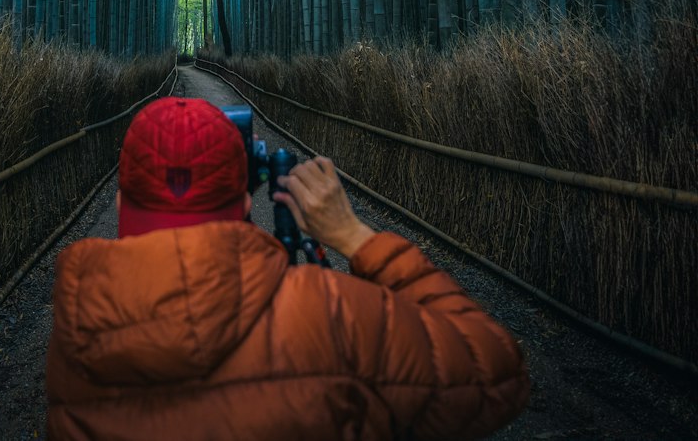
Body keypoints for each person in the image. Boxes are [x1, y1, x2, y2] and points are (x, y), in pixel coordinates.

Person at [47, 95, 530, 440]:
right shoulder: (328, 314)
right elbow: (496, 373)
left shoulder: (76, 336)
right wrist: (354, 238)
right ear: (243, 198)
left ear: (119, 202)